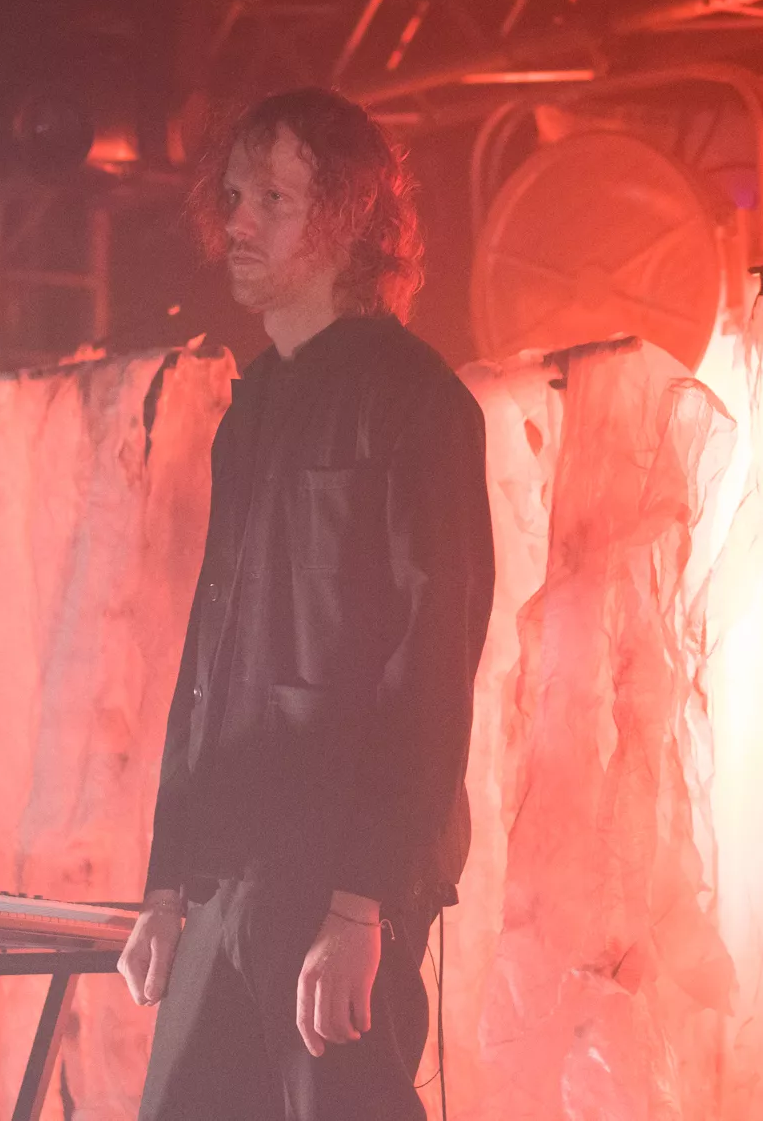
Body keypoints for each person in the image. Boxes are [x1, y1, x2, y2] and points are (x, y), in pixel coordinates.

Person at [119, 87, 495, 1121]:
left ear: (346, 218)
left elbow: (431, 663)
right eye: (235, 195)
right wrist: (168, 880)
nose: (237, 221)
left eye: (272, 199)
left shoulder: (417, 401)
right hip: (230, 864)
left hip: (334, 866)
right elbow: (210, 655)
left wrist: (362, 900)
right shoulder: (252, 410)